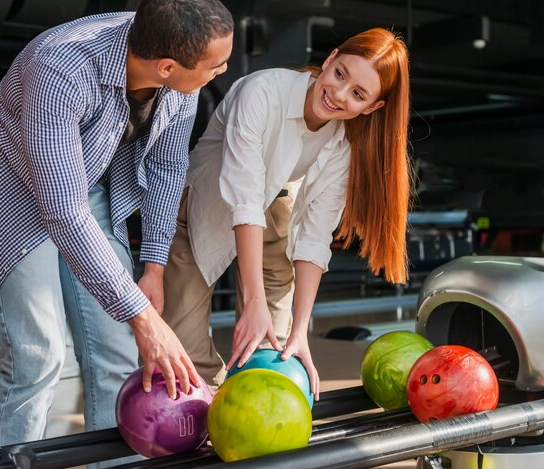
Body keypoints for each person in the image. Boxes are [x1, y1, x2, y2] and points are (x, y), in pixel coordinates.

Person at [0, 0, 233, 447]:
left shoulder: (175, 67)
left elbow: (167, 168)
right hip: (10, 191)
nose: (221, 71)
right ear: (167, 66)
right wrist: (143, 317)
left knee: (115, 350)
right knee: (37, 354)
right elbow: (63, 210)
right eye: (215, 66)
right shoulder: (60, 68)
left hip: (82, 185)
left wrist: (153, 265)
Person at [162, 28, 411, 400]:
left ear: (372, 107)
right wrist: (254, 301)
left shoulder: (346, 143)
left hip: (274, 206)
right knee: (187, 359)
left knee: (274, 349)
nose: (339, 94)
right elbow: (244, 196)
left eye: (358, 94)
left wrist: (300, 330)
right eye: (340, 74)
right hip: (203, 205)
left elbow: (314, 235)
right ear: (330, 58)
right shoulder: (261, 91)